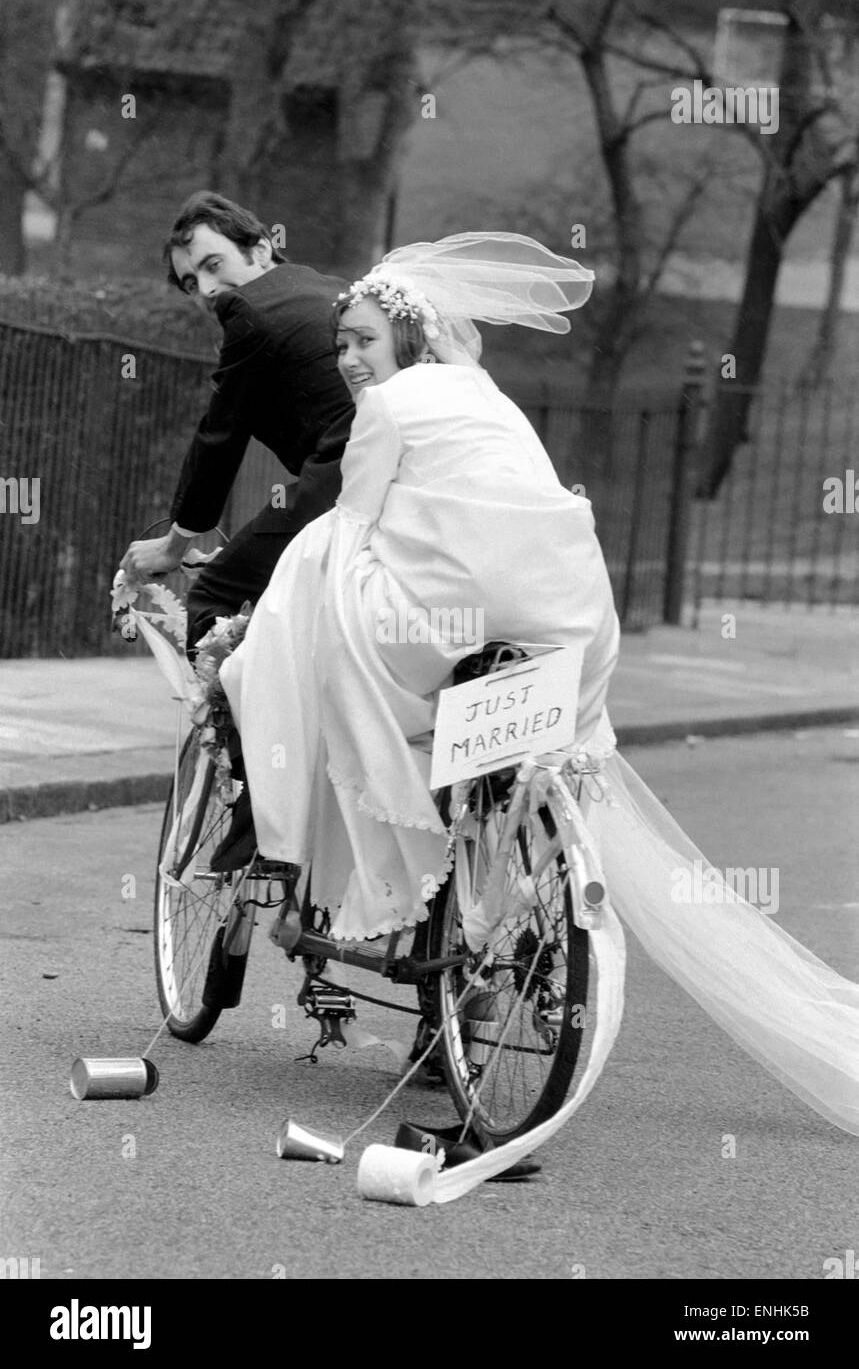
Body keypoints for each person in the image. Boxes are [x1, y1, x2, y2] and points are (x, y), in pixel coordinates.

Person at [220, 231, 859, 1139]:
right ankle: (476, 916)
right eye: (342, 346)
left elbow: (355, 512)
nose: (350, 359)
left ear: (410, 336)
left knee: (316, 567)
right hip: (556, 619)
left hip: (434, 623)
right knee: (495, 765)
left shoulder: (392, 405)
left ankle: (327, 838)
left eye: (362, 339)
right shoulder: (491, 399)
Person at [118, 191, 354, 652]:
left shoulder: (250, 311)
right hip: (372, 469)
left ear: (260, 249)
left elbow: (220, 437)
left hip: (343, 475)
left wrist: (174, 545)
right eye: (190, 283)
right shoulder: (321, 286)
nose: (205, 291)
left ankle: (233, 725)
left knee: (214, 598)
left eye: (212, 265)